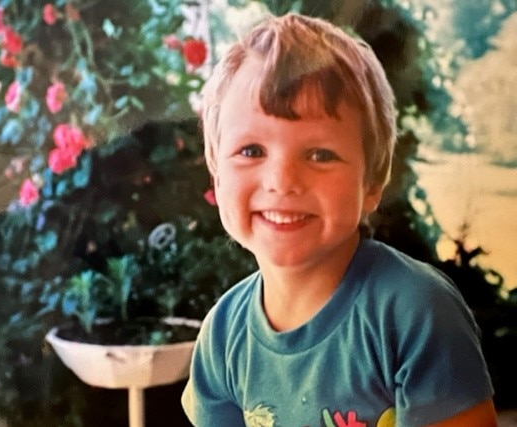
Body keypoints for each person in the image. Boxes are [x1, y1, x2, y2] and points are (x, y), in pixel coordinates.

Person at [181, 13, 497, 427]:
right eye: (252, 151)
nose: (282, 181)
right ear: (217, 178)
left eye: (320, 155)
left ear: (371, 182)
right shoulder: (222, 336)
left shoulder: (416, 313)